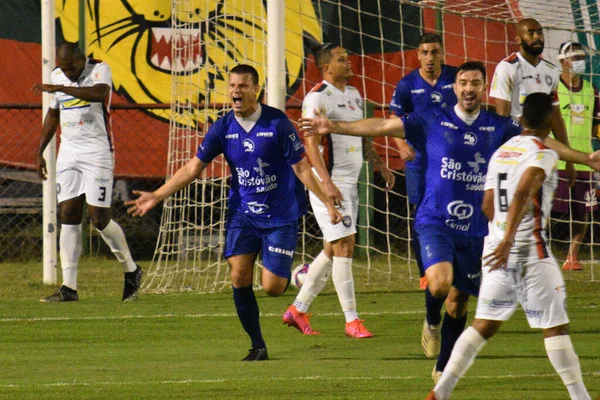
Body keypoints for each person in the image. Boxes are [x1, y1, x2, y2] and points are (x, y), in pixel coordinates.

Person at [300, 61, 597, 383]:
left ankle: (442, 368)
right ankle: (430, 321)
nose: (469, 88)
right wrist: (333, 127)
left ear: (484, 89)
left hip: (477, 229)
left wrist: (583, 158)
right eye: (463, 82)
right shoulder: (432, 119)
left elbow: (540, 143)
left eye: (475, 83)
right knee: (440, 283)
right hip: (436, 219)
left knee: (458, 303)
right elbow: (382, 126)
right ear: (454, 88)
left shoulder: (499, 126)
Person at [126, 64, 342, 361]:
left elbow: (302, 167)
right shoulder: (223, 127)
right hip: (243, 213)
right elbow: (193, 167)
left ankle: (297, 275)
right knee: (239, 276)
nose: (235, 91)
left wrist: (328, 202)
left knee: (272, 289)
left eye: (242, 86)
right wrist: (157, 195)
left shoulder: (277, 123)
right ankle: (257, 345)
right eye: (232, 86)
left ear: (256, 90)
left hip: (279, 215)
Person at [426, 93, 596, 400]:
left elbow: (489, 204)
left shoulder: (502, 151)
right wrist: (509, 239)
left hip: (495, 253)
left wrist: (500, 236)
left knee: (483, 325)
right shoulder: (543, 153)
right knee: (555, 327)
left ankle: (440, 392)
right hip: (528, 251)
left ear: (521, 119)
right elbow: (521, 193)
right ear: (548, 121)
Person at [282, 44, 395, 338]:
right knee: (345, 245)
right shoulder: (317, 96)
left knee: (333, 249)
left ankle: (297, 309)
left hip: (350, 180)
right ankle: (351, 320)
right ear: (327, 67)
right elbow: (309, 142)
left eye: (348, 57)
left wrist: (378, 162)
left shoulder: (355, 95)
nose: (349, 62)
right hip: (329, 181)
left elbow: (362, 132)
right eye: (342, 59)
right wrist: (326, 182)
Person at [32, 42, 142, 303]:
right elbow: (53, 114)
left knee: (98, 219)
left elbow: (99, 94)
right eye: (64, 69)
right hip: (68, 152)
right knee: (67, 216)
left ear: (82, 59)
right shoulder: (57, 75)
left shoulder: (99, 70)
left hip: (98, 153)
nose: (68, 73)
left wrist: (60, 88)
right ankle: (68, 288)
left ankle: (132, 270)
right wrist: (40, 151)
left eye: (72, 68)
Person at [389, 32, 458, 359]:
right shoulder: (407, 85)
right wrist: (402, 145)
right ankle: (424, 273)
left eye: (435, 52)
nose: (430, 57)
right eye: (424, 51)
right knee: (421, 215)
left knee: (455, 214)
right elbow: (393, 118)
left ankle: (450, 272)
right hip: (421, 162)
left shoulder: (455, 79)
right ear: (418, 55)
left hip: (452, 163)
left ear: (443, 54)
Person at [490, 17, 576, 183]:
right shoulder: (507, 67)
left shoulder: (550, 71)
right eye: (531, 33)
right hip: (516, 145)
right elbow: (502, 117)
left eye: (539, 32)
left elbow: (556, 117)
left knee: (540, 205)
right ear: (518, 39)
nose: (537, 37)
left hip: (542, 148)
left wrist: (569, 159)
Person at [553, 41, 600, 271]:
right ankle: (545, 252)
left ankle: (572, 256)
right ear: (563, 61)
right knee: (548, 210)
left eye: (583, 57)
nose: (581, 61)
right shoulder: (552, 89)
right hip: (556, 162)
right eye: (576, 57)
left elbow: (596, 127)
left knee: (582, 213)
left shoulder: (592, 90)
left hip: (585, 161)